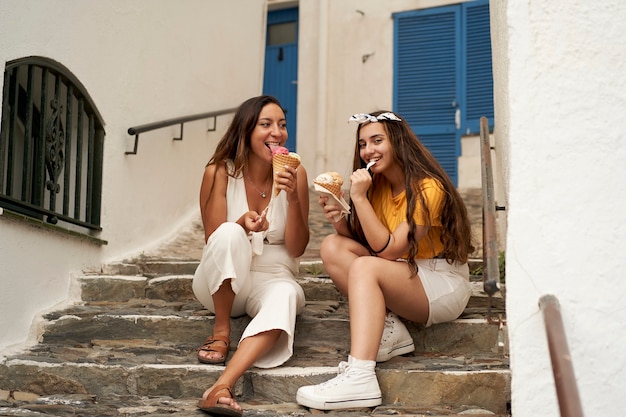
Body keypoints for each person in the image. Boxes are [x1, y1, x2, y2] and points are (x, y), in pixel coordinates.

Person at [296, 111, 474, 410]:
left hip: (440, 282)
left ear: (399, 143)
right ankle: (390, 329)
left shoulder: (427, 188)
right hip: (404, 273)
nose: (368, 150)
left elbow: (389, 251)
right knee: (332, 247)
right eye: (363, 143)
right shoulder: (376, 187)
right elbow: (365, 244)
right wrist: (340, 216)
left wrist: (360, 199)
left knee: (366, 266)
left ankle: (360, 377)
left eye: (378, 140)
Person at [192, 95, 310, 417]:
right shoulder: (218, 172)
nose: (277, 133)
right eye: (266, 124)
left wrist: (294, 200)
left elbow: (298, 248)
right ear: (246, 129)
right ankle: (220, 333)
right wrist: (242, 225)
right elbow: (214, 241)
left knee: (287, 293)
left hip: (273, 277)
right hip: (223, 280)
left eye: (282, 125)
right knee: (229, 233)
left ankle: (221, 386)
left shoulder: (295, 174)